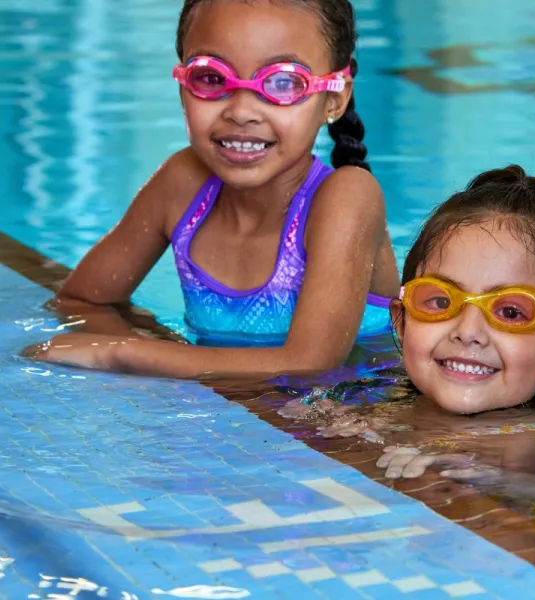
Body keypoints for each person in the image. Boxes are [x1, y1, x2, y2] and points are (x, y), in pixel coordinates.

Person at [25, 0, 398, 379]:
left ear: (333, 98)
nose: (241, 111)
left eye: (283, 83)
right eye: (211, 77)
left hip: (356, 415)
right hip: (234, 412)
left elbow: (309, 364)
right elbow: (81, 299)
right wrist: (160, 352)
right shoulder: (183, 184)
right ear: (183, 85)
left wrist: (123, 354)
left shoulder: (347, 196)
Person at [281, 166, 535, 486]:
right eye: (441, 302)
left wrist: (485, 475)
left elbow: (528, 496)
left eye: (511, 312)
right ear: (402, 323)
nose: (468, 331)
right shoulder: (387, 403)